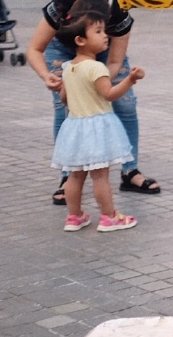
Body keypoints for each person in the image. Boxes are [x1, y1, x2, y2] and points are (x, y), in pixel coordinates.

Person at [25, 0, 160, 204]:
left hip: (104, 50)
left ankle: (130, 171)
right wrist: (46, 76)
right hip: (61, 47)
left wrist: (98, 79)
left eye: (100, 26)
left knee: (125, 105)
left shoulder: (118, 10)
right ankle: (67, 177)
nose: (99, 29)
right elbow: (34, 49)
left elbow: (115, 61)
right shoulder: (63, 2)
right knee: (65, 108)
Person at [51, 12, 144, 233]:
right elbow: (109, 94)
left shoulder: (68, 68)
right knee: (100, 175)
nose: (106, 36)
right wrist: (130, 80)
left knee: (75, 175)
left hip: (74, 127)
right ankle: (110, 217)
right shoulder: (96, 68)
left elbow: (65, 99)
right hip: (96, 128)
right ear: (80, 40)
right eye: (99, 32)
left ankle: (74, 217)